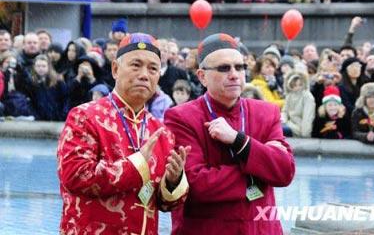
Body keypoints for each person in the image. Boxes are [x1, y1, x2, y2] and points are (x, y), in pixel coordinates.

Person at [57, 32, 190, 234]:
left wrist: (173, 181)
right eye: (136, 65)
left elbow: (166, 204)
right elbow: (75, 176)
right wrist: (135, 166)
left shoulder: (161, 132)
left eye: (153, 68)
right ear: (115, 69)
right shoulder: (85, 117)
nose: (145, 74)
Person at [164, 33, 295, 235]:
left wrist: (239, 140)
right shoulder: (181, 117)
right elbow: (196, 185)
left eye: (240, 67)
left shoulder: (267, 112)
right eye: (224, 68)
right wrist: (260, 174)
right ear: (202, 76)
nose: (234, 74)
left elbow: (285, 172)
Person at [281, 71, 315, 138]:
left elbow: (307, 117)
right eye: (294, 85)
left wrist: (305, 135)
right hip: (288, 123)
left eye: (300, 84)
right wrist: (283, 121)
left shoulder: (307, 97)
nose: (297, 87)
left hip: (299, 128)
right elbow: (284, 111)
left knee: (279, 130)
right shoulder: (289, 95)